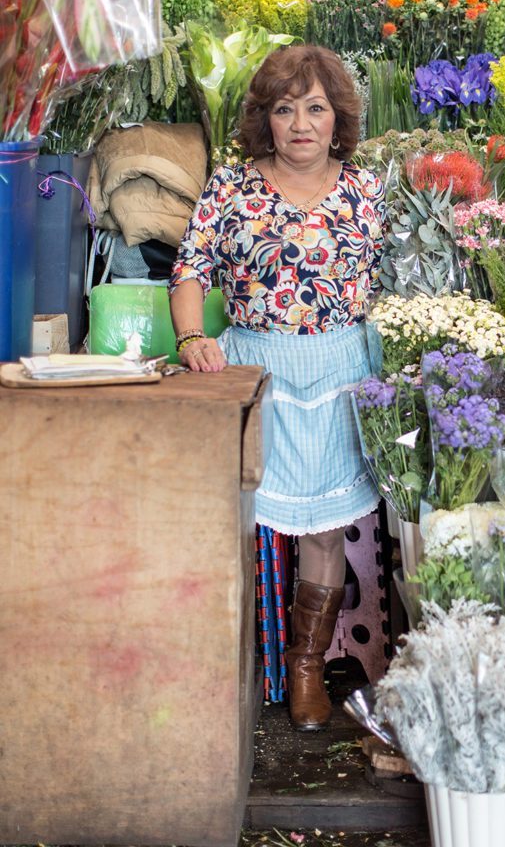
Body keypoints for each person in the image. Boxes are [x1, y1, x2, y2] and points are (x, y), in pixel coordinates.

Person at [169, 44, 386, 732]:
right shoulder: (231, 187)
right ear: (264, 118)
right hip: (253, 372)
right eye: (284, 108)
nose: (301, 123)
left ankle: (305, 670)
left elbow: (400, 284)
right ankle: (217, 668)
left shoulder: (367, 191)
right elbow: (189, 269)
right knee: (238, 519)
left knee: (323, 530)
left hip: (338, 372)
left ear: (337, 118)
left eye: (316, 108)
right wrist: (191, 338)